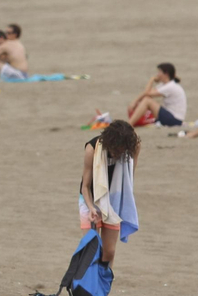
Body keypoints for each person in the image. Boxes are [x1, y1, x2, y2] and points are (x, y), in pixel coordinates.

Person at [78, 120, 138, 280]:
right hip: (90, 199)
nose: (119, 153)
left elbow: (130, 176)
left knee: (109, 252)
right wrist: (91, 207)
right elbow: (85, 186)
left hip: (114, 201)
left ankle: (100, 287)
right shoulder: (92, 149)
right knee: (91, 250)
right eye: (116, 149)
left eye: (123, 150)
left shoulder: (132, 147)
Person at [125, 63, 186, 127]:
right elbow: (147, 93)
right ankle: (132, 122)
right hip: (171, 117)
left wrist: (152, 79)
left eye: (159, 72)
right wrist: (135, 102)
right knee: (146, 100)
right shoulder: (165, 85)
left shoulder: (170, 86)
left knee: (147, 101)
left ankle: (129, 124)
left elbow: (147, 92)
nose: (157, 74)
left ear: (166, 74)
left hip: (175, 119)